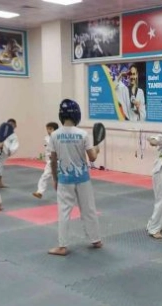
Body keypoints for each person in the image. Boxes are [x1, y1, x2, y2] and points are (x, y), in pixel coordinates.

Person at [47, 99, 102, 256]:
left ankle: (62, 246)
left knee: (64, 212)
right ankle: (96, 240)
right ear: (77, 114)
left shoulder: (54, 135)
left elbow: (53, 159)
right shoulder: (83, 134)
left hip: (64, 178)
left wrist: (55, 178)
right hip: (83, 178)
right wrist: (97, 149)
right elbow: (92, 157)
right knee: (89, 209)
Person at [33, 122, 59, 199]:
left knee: (58, 179)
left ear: (55, 130)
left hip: (59, 161)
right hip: (50, 162)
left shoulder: (59, 138)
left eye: (50, 129)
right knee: (45, 176)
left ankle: (64, 194)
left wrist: (56, 155)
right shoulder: (46, 138)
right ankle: (39, 192)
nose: (48, 131)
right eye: (47, 129)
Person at [0, 118, 19, 188]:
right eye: (9, 124)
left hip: (3, 151)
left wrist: (11, 151)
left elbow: (14, 145)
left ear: (15, 126)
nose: (11, 126)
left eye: (12, 124)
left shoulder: (13, 136)